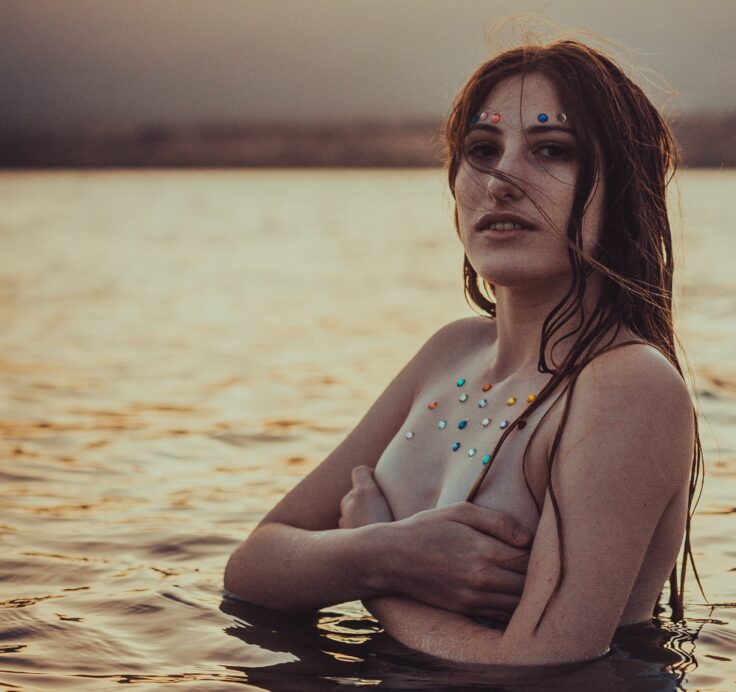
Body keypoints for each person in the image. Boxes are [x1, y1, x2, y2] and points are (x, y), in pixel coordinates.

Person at [224, 38, 704, 667]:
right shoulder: (451, 352)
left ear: (623, 190)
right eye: (482, 150)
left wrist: (379, 574)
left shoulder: (627, 384)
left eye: (552, 150)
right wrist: (378, 552)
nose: (502, 179)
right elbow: (253, 565)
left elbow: (543, 663)